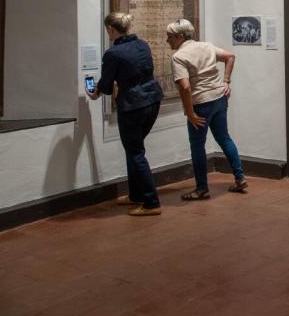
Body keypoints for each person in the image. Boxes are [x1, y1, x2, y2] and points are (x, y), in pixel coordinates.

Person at [86, 12, 163, 216]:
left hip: (133, 105)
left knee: (136, 152)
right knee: (134, 149)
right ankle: (136, 195)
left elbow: (107, 84)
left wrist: (95, 93)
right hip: (153, 100)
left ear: (111, 29)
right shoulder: (142, 45)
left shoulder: (114, 53)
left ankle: (151, 202)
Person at [166, 19, 247, 199]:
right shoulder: (206, 46)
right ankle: (240, 177)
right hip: (219, 98)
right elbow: (230, 56)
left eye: (170, 37)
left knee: (197, 146)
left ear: (180, 36)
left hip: (201, 104)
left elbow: (185, 87)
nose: (167, 40)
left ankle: (201, 189)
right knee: (224, 138)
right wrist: (225, 81)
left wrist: (190, 113)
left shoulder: (179, 57)